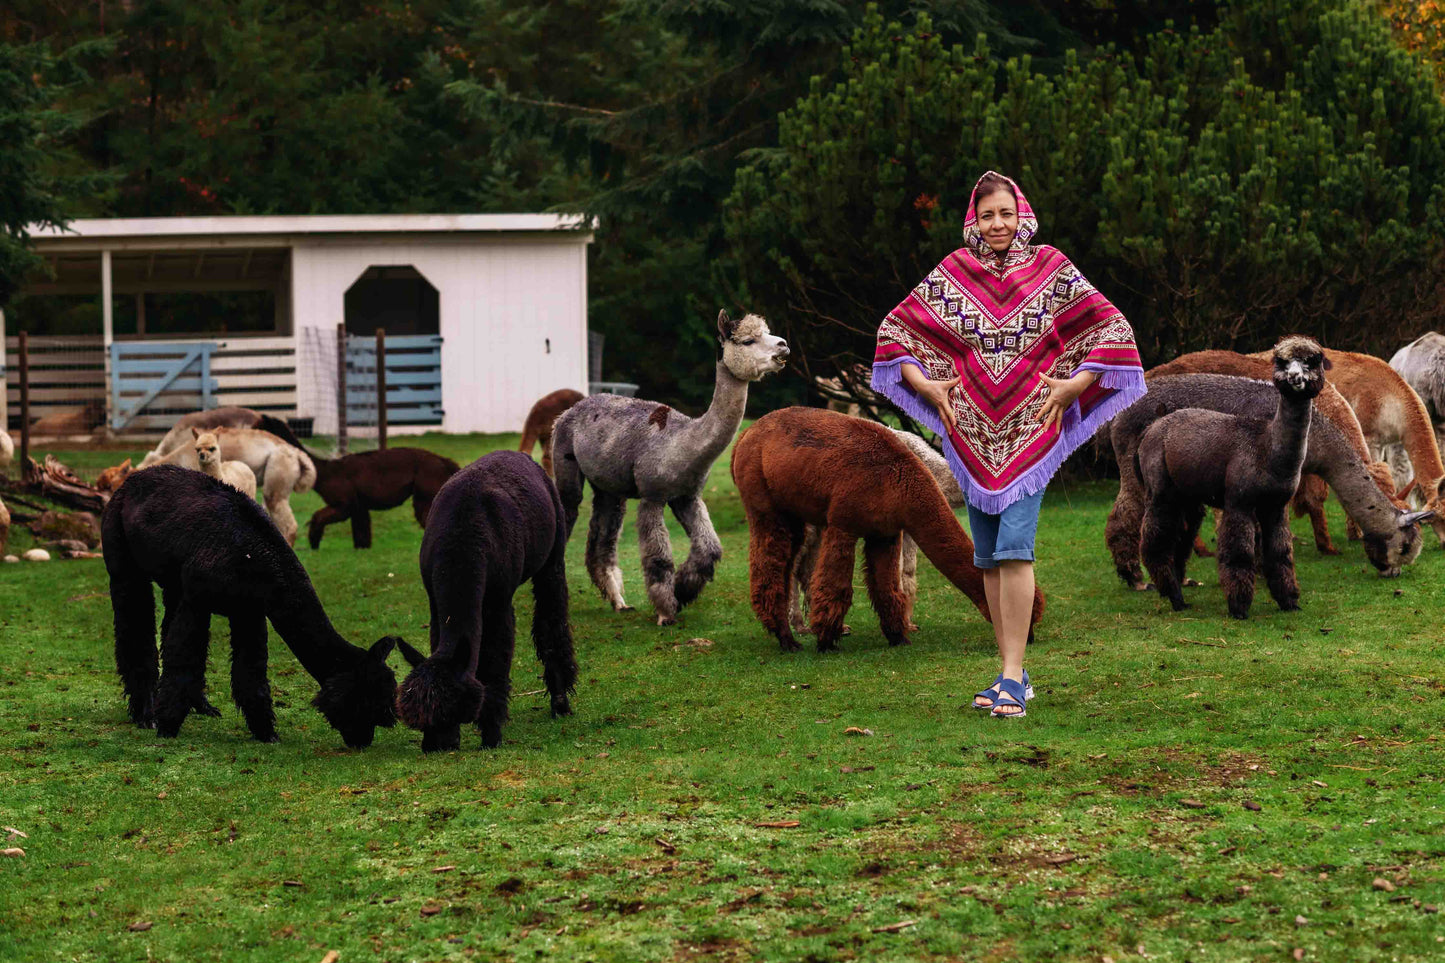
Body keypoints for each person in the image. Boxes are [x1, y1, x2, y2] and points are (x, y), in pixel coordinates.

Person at [871, 171, 1146, 718]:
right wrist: (925, 384)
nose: (998, 224)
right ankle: (1006, 671)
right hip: (971, 433)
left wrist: (1075, 385)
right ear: (975, 219)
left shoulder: (1051, 268)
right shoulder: (954, 272)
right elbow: (895, 332)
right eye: (988, 215)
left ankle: (1015, 677)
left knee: (1016, 550)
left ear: (1023, 214)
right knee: (990, 559)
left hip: (1030, 429)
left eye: (1006, 213)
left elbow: (1112, 329)